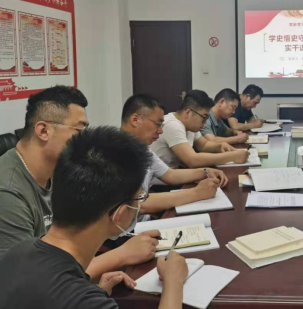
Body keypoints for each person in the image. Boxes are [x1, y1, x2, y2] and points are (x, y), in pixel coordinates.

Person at [0, 126, 190, 309]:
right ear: (119, 215)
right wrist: (174, 281)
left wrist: (98, 290)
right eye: (139, 198)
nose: (140, 203)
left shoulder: (17, 252)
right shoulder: (84, 301)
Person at [0, 86, 160, 280]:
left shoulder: (59, 169)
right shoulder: (8, 192)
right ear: (43, 131)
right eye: (80, 130)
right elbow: (25, 281)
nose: (85, 139)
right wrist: (121, 255)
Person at [121, 94, 228, 218]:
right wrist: (197, 193)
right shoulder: (115, 154)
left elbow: (170, 175)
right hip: (131, 228)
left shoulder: (142, 149)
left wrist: (206, 171)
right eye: (158, 124)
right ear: (135, 120)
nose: (161, 131)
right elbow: (138, 203)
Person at [151, 90, 249, 168]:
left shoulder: (190, 126)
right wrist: (231, 157)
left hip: (176, 174)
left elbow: (204, 145)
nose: (205, 122)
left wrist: (220, 146)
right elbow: (193, 160)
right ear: (188, 113)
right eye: (204, 117)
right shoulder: (172, 125)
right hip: (161, 183)